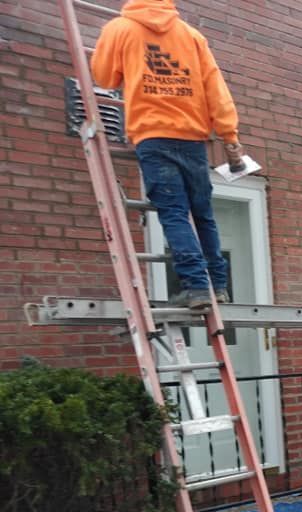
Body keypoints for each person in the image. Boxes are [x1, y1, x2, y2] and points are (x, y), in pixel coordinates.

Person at [91, 0, 243, 310]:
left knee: (174, 214)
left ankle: (197, 288)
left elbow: (105, 79)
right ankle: (218, 284)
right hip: (193, 139)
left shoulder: (120, 29)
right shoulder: (191, 36)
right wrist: (230, 136)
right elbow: (217, 89)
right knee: (202, 215)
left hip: (154, 135)